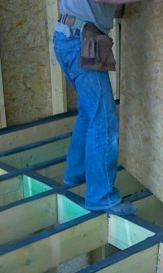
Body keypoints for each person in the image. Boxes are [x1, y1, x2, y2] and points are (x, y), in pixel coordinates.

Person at [53, 0, 143, 216]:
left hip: (71, 36)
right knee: (103, 120)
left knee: (89, 114)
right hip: (80, 41)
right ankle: (100, 197)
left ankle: (75, 178)